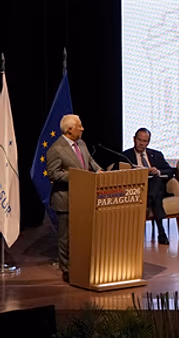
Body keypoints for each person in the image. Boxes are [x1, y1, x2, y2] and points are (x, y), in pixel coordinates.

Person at [45, 114, 100, 281]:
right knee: (66, 237)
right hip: (65, 199)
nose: (82, 129)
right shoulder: (56, 149)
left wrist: (99, 171)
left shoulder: (81, 143)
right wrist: (76, 176)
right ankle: (66, 269)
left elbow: (90, 161)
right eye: (79, 126)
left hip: (84, 197)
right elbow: (53, 174)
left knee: (83, 234)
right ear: (69, 130)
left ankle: (82, 264)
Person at [123, 127, 176, 245]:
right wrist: (141, 172)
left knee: (156, 180)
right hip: (138, 189)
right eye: (139, 140)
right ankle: (161, 232)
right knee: (156, 196)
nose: (141, 143)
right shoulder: (125, 156)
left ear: (148, 142)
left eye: (144, 141)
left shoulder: (156, 155)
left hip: (154, 187)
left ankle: (148, 201)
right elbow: (120, 174)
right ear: (134, 139)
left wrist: (158, 171)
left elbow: (171, 170)